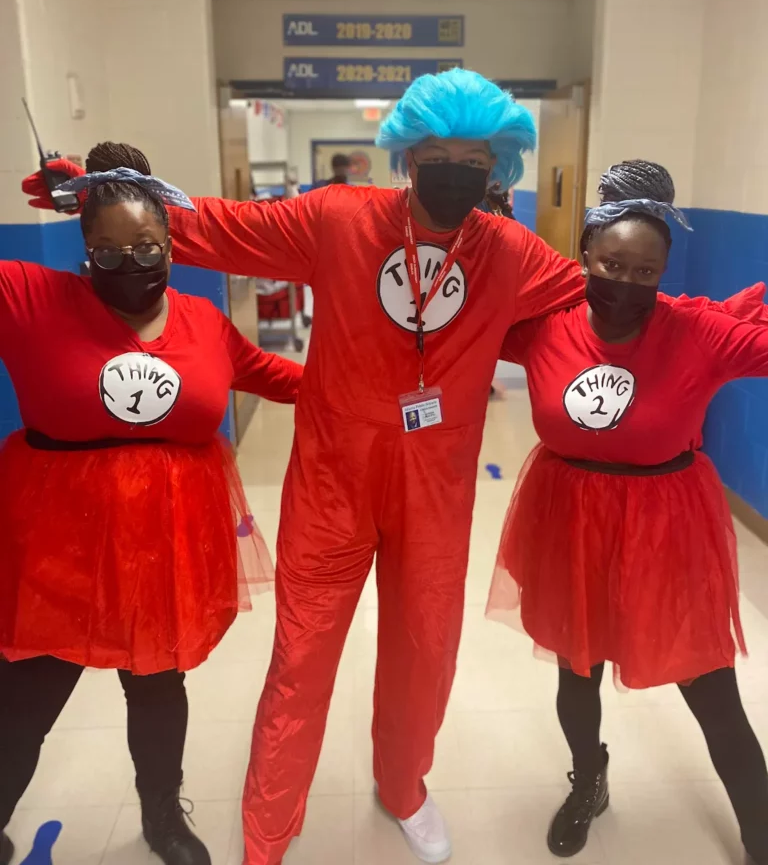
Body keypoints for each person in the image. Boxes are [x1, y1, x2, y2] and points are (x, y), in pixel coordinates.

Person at [25, 68, 588, 865]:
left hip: (437, 485)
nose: (456, 171)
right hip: (333, 480)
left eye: (475, 159)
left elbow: (604, 299)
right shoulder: (339, 219)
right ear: (407, 155)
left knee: (424, 653)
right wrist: (103, 192)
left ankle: (405, 788)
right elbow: (217, 227)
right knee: (301, 658)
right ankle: (267, 835)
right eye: (438, 153)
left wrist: (720, 327)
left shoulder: (511, 251)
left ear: (498, 166)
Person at [1, 164, 303, 865]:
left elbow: (274, 375)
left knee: (159, 685)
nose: (130, 265)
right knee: (23, 696)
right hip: (60, 541)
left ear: (173, 245)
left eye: (146, 250)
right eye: (108, 252)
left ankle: (163, 816)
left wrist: (367, 389)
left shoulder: (203, 320)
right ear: (83, 250)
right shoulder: (30, 296)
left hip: (164, 538)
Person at [487, 160, 768, 864]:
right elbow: (466, 315)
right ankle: (590, 782)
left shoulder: (698, 333)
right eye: (612, 263)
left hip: (668, 525)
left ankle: (762, 831)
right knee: (575, 672)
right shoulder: (544, 327)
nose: (626, 281)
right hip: (569, 516)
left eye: (645, 271)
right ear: (585, 255)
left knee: (711, 689)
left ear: (665, 271)